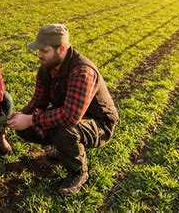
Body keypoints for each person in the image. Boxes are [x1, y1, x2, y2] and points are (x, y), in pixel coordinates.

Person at [7, 24, 119, 195]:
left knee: (63, 129)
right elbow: (38, 100)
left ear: (62, 49)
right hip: (70, 115)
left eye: (44, 51)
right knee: (26, 128)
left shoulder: (82, 71)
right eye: (39, 50)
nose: (39, 55)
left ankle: (78, 172)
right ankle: (62, 150)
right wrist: (21, 116)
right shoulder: (47, 68)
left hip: (99, 124)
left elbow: (70, 116)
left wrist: (31, 119)